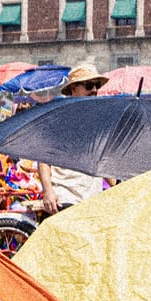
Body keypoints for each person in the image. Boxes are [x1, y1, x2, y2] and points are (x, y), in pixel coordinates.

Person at [35, 64, 111, 214]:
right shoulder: (59, 118)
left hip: (91, 199)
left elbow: (101, 160)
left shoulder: (98, 120)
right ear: (73, 88)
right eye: (89, 86)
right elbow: (43, 158)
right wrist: (48, 191)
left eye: (96, 86)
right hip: (65, 197)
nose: (94, 90)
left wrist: (119, 184)